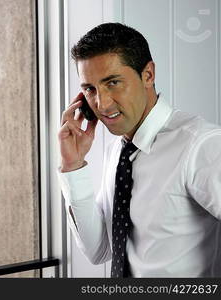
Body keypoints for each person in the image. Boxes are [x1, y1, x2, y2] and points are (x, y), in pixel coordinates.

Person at [57, 22, 221, 277]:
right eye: (90, 89)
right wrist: (73, 165)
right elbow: (99, 251)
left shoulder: (200, 144)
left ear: (148, 75)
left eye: (112, 83)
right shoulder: (118, 151)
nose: (101, 103)